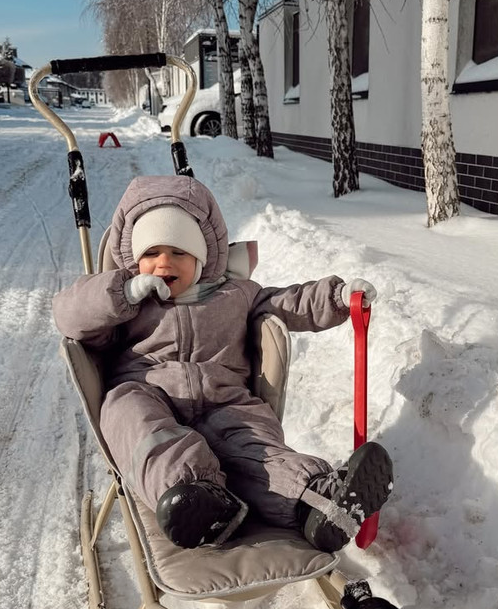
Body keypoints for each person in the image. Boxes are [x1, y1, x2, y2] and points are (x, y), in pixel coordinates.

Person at [52, 174, 393, 553]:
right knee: (129, 413)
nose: (163, 263)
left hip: (226, 401)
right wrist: (121, 293)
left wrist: (338, 297)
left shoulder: (236, 294)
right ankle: (192, 497)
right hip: (149, 394)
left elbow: (290, 302)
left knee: (256, 454)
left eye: (179, 252)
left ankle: (318, 500)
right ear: (134, 261)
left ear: (202, 257)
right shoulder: (126, 304)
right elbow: (69, 315)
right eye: (151, 253)